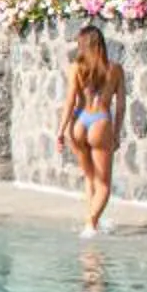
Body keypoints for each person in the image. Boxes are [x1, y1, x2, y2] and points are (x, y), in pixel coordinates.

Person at [57, 25, 128, 238]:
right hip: (100, 121)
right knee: (104, 184)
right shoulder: (115, 69)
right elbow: (121, 105)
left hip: (79, 122)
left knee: (90, 178)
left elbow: (70, 102)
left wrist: (60, 132)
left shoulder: (76, 68)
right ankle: (90, 224)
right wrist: (116, 133)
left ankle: (92, 223)